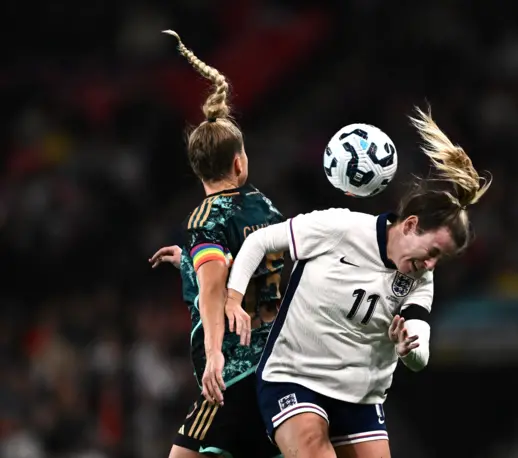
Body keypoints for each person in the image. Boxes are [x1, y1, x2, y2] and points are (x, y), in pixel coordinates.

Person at [222, 107, 492, 458]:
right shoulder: (340, 228)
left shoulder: (421, 279)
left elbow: (420, 348)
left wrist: (410, 348)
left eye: (441, 259)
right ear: (410, 225)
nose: (431, 264)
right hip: (294, 376)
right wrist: (233, 297)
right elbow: (259, 243)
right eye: (432, 251)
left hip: (361, 397)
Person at [149, 29, 284, 458]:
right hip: (276, 363)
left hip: (235, 371)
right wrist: (189, 264)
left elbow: (215, 287)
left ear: (196, 169)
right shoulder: (264, 206)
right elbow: (247, 264)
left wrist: (213, 357)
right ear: (240, 162)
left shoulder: (205, 219)